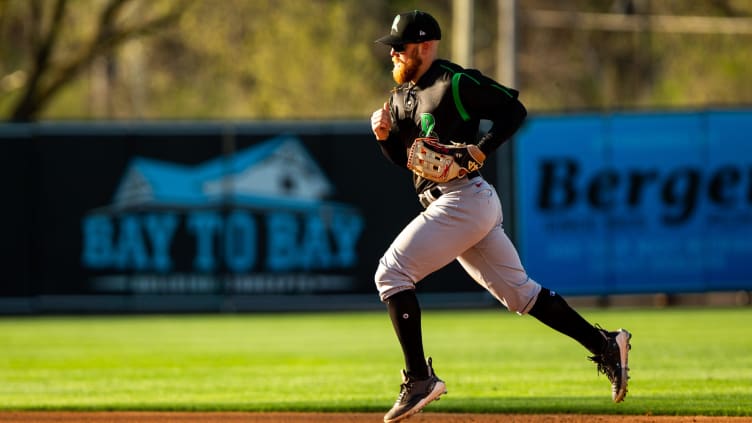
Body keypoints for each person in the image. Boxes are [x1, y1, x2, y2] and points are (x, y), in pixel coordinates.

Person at [369, 10, 632, 423]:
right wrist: (384, 137)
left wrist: (480, 149)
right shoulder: (400, 99)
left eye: (399, 48)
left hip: (463, 199)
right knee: (521, 295)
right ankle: (605, 343)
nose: (393, 55)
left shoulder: (454, 82)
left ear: (423, 46)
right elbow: (408, 163)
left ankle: (419, 378)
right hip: (455, 203)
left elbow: (514, 110)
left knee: (391, 274)